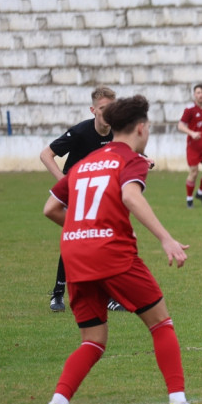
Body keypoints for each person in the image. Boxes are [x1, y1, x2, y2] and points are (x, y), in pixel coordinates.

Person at [39, 95, 202, 404]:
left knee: (93, 339)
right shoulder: (132, 159)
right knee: (161, 323)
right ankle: (178, 403)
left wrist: (83, 231)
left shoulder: (85, 163)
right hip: (112, 254)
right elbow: (131, 196)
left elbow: (50, 209)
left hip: (74, 255)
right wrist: (166, 238)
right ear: (141, 128)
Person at [40, 86, 130, 314]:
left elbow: (125, 154)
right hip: (75, 196)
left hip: (98, 197)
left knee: (94, 240)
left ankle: (104, 295)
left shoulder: (117, 133)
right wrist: (64, 183)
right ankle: (59, 293)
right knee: (80, 238)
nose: (108, 113)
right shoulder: (80, 132)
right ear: (93, 110)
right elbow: (46, 154)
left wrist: (142, 160)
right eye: (103, 109)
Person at [177, 83, 202, 208]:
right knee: (194, 173)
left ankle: (200, 193)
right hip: (193, 147)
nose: (200, 95)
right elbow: (180, 125)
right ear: (194, 95)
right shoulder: (189, 109)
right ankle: (189, 199)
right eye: (198, 93)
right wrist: (192, 133)